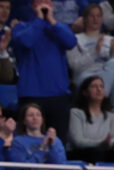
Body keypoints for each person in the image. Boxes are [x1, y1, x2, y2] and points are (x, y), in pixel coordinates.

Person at [12, 0, 77, 140]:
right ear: (32, 7)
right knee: (29, 142)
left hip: (58, 95)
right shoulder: (21, 27)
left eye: (48, 3)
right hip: (32, 95)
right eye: (40, 3)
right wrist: (40, 20)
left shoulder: (57, 28)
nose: (44, 6)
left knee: (58, 142)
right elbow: (26, 41)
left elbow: (71, 42)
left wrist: (52, 20)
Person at [67, 3, 114, 110]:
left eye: (98, 16)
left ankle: (112, 112)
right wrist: (95, 52)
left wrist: (113, 54)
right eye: (92, 16)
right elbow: (75, 66)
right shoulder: (75, 39)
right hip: (85, 76)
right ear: (85, 19)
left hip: (107, 76)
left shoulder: (111, 40)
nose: (95, 19)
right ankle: (104, 103)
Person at [67, 76, 114, 163]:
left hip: (105, 152)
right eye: (94, 86)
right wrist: (102, 143)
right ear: (85, 92)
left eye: (101, 86)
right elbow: (78, 142)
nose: (99, 89)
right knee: (95, 154)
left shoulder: (113, 113)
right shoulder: (76, 113)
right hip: (80, 153)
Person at [10, 103, 67, 170]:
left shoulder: (55, 140)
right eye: (30, 115)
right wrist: (42, 149)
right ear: (24, 121)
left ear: (42, 119)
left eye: (38, 115)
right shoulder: (18, 142)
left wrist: (53, 146)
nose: (35, 118)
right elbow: (22, 169)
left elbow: (61, 168)